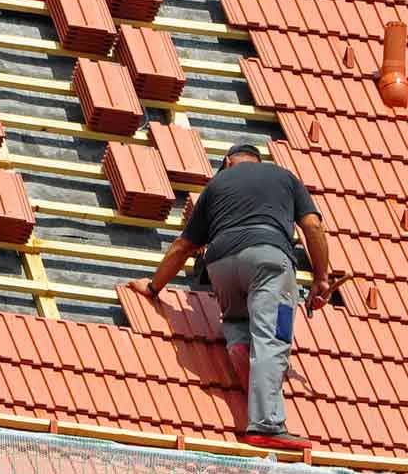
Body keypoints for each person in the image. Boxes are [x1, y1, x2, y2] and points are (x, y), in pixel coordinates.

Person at [128, 143, 329, 452]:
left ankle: (238, 344)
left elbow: (183, 246)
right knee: (274, 336)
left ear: (227, 162)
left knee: (237, 318)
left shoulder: (215, 186)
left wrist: (153, 288)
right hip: (268, 260)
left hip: (220, 265)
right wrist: (320, 278)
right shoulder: (285, 177)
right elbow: (313, 226)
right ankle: (266, 425)